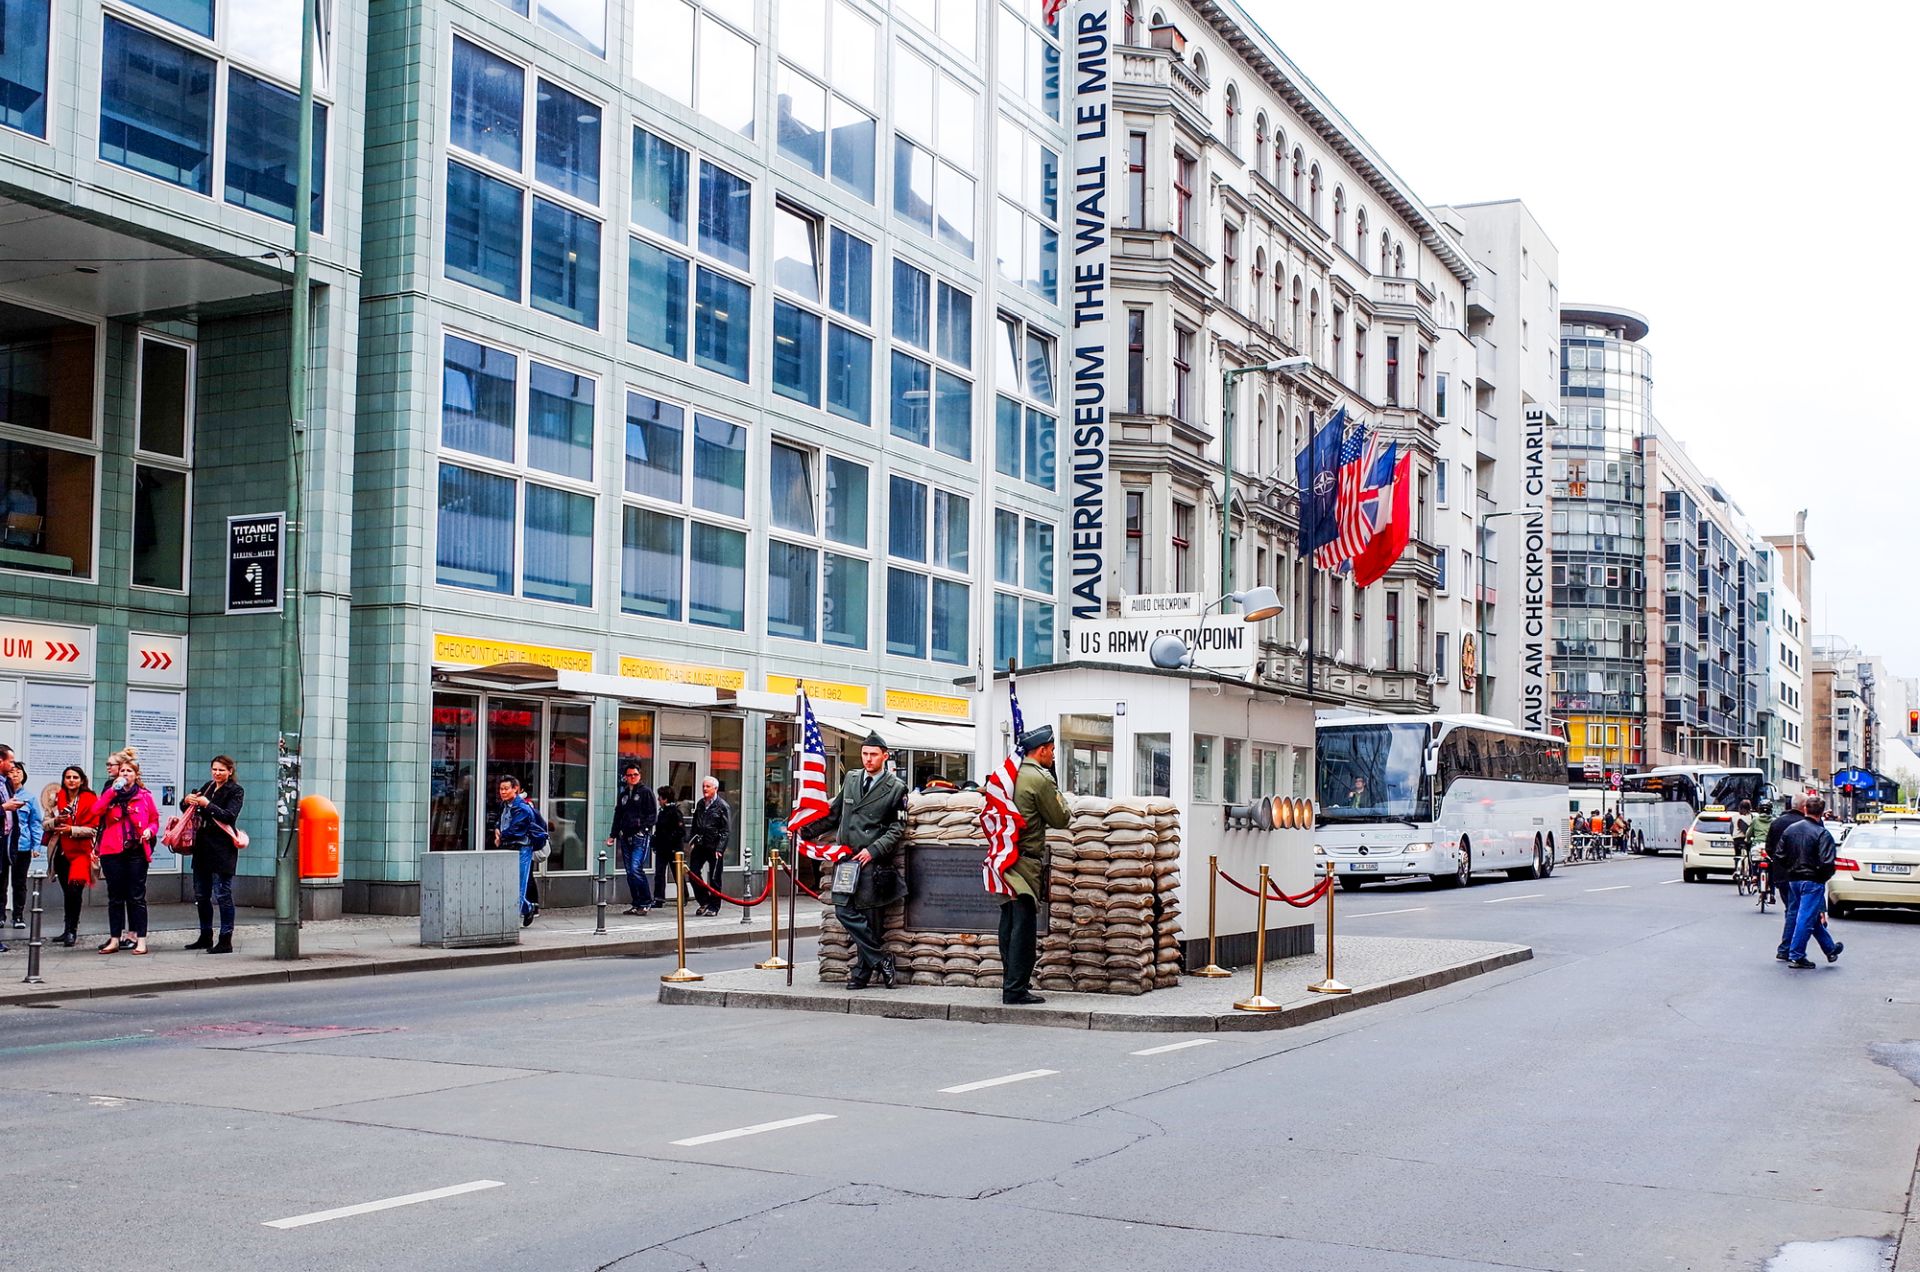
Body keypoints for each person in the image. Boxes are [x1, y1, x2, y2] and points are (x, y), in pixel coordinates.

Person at [812, 732, 908, 990]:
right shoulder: (852, 778)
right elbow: (834, 814)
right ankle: (881, 959)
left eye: (873, 754)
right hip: (847, 859)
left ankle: (861, 974)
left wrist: (873, 850)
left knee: (872, 919)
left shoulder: (896, 788)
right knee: (843, 909)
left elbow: (897, 828)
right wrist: (803, 829)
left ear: (884, 757)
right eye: (865, 754)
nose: (868, 759)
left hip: (872, 862)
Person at [1002, 725, 1069, 1006]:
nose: (1053, 756)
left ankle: (1010, 981)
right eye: (1052, 751)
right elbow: (1061, 818)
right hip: (1025, 860)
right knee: (1024, 927)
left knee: (1008, 922)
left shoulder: (1010, 773)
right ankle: (1016, 988)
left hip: (1004, 856)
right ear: (1041, 750)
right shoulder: (1038, 778)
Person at [86, 748, 159, 955]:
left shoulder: (144, 796)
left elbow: (154, 820)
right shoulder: (111, 793)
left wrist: (149, 830)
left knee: (136, 896)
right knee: (115, 896)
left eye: (129, 771)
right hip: (112, 850)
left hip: (136, 849)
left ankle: (141, 940)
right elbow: (96, 811)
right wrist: (112, 792)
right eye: (123, 771)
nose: (125, 774)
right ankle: (114, 939)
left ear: (136, 775)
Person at [181, 756, 245, 954]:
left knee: (223, 894)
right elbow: (189, 810)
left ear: (230, 771)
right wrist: (187, 801)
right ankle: (205, 935)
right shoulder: (208, 786)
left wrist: (207, 804)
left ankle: (226, 939)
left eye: (221, 770)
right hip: (202, 848)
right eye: (214, 769)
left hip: (222, 848)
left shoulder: (235, 790)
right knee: (201, 895)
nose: (217, 773)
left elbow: (229, 815)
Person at [1777, 795, 1842, 969]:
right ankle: (1796, 955)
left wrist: (1791, 868)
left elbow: (1780, 855)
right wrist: (1821, 877)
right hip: (1812, 880)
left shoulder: (1790, 830)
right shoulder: (1822, 833)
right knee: (1805, 918)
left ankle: (1830, 949)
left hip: (1794, 880)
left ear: (1805, 809)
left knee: (1809, 916)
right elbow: (1827, 862)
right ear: (1821, 813)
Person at [46, 766, 96, 948]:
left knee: (75, 891)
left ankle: (72, 930)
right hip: (60, 852)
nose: (72, 780)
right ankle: (67, 927)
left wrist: (71, 830)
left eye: (75, 777)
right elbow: (44, 823)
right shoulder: (56, 798)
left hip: (81, 852)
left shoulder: (90, 799)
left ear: (82, 780)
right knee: (68, 892)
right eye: (68, 777)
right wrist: (55, 822)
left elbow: (94, 829)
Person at [493, 775, 548, 928]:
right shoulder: (504, 805)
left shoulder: (522, 808)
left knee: (519, 884)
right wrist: (497, 829)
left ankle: (512, 921)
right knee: (507, 883)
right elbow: (500, 820)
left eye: (506, 789)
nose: (502, 792)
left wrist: (501, 836)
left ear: (515, 789)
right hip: (509, 848)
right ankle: (527, 907)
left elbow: (517, 829)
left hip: (522, 848)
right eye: (501, 789)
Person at [606, 762, 658, 915]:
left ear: (639, 775)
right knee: (630, 871)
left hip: (639, 837)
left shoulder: (645, 792)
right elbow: (618, 816)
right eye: (630, 775)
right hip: (625, 836)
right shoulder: (623, 795)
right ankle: (636, 903)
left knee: (636, 868)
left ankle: (646, 901)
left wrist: (643, 830)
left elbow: (652, 815)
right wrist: (613, 835)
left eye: (635, 775)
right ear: (625, 777)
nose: (633, 778)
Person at [4, 757, 40, 930]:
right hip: (4, 845)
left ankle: (18, 915)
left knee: (19, 882)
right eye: (12, 771)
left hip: (22, 845)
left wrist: (36, 845)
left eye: (19, 772)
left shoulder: (30, 797)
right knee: (1, 882)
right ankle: (1, 915)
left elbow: (35, 823)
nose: (15, 774)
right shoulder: (3, 793)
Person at [688, 776, 731, 917]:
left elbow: (726, 830)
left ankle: (714, 906)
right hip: (700, 844)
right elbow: (695, 825)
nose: (705, 789)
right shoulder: (701, 804)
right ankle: (704, 901)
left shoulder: (722, 806)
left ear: (715, 789)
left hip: (714, 846)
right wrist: (692, 841)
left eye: (708, 786)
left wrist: (720, 848)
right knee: (693, 873)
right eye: (704, 786)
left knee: (714, 877)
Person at [652, 785, 685, 906]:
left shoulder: (675, 812)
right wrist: (655, 841)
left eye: (660, 797)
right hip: (662, 848)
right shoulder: (662, 812)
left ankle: (683, 896)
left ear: (665, 799)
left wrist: (670, 841)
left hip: (673, 849)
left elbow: (681, 831)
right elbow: (659, 830)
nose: (658, 800)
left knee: (677, 873)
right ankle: (659, 898)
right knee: (659, 874)